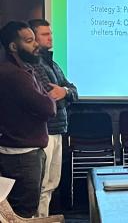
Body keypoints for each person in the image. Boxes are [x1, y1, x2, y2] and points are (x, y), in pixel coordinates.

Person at [0, 21, 56, 218]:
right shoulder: (15, 75)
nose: (36, 45)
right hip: (22, 156)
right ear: (13, 47)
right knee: (23, 213)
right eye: (29, 40)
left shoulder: (25, 71)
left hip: (22, 152)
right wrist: (50, 96)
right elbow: (48, 107)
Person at [26, 19, 78, 217]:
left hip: (58, 129)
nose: (50, 38)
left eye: (51, 34)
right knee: (42, 184)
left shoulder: (53, 64)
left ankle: (44, 218)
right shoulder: (33, 65)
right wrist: (65, 94)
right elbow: (48, 97)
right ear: (34, 39)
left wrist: (65, 92)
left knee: (51, 183)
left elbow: (71, 91)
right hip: (44, 131)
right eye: (45, 34)